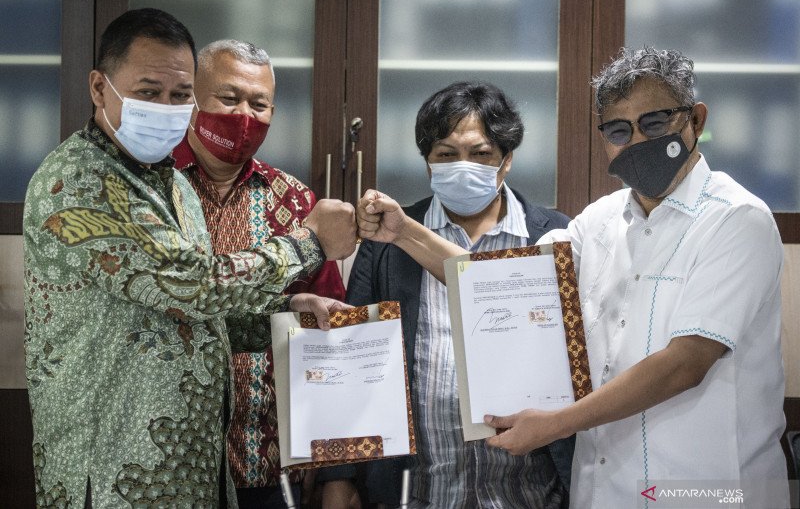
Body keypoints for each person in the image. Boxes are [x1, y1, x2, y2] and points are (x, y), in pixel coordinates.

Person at [356, 48, 788, 508]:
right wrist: (404, 232)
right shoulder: (598, 223)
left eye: (655, 123)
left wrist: (557, 423)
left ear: (695, 121)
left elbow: (685, 362)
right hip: (607, 488)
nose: (638, 141)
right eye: (620, 130)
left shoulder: (736, 219)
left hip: (704, 489)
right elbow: (497, 282)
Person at [23, 8, 356, 508]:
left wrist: (284, 315)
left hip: (191, 471)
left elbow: (194, 314)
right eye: (148, 92)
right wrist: (308, 242)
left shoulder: (171, 183)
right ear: (99, 88)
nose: (166, 106)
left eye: (180, 96)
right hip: (117, 470)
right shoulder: (79, 181)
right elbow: (195, 284)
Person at [330, 81, 572, 508]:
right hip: (418, 492)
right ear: (428, 164)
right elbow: (350, 360)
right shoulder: (385, 244)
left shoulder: (552, 236)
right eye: (446, 154)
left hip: (531, 493)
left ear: (507, 160)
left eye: (481, 154)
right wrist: (340, 477)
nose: (464, 166)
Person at [172, 38, 350, 508]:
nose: (244, 116)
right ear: (192, 97)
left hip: (271, 464)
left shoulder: (297, 203)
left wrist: (332, 468)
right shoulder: (152, 189)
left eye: (260, 103)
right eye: (228, 99)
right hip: (167, 466)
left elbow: (327, 339)